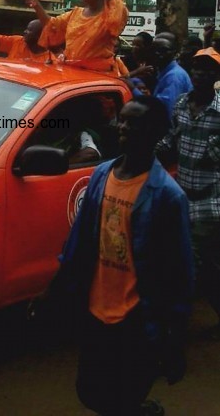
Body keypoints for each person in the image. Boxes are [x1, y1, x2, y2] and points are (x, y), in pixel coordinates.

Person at [31, 96, 193, 416]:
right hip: (96, 307)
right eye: (123, 120)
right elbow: (78, 243)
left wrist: (173, 340)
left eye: (135, 123)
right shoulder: (103, 175)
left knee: (120, 398)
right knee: (90, 391)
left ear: (155, 131)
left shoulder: (167, 196)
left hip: (135, 317)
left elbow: (179, 273)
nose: (124, 127)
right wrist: (53, 290)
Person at [156, 46, 220, 332]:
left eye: (207, 69)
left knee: (194, 266)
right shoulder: (182, 103)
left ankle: (173, 331)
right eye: (196, 68)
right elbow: (171, 140)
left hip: (210, 201)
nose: (200, 73)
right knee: (199, 267)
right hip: (182, 197)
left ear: (216, 75)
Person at [25, 0, 128, 72]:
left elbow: (118, 9)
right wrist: (37, 6)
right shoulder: (75, 13)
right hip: (71, 73)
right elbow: (52, 25)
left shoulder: (112, 15)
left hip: (98, 76)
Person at [149, 32, 193, 118]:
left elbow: (167, 111)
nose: (157, 53)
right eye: (153, 49)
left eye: (163, 50)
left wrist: (134, 89)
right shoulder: (162, 72)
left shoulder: (174, 76)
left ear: (174, 52)